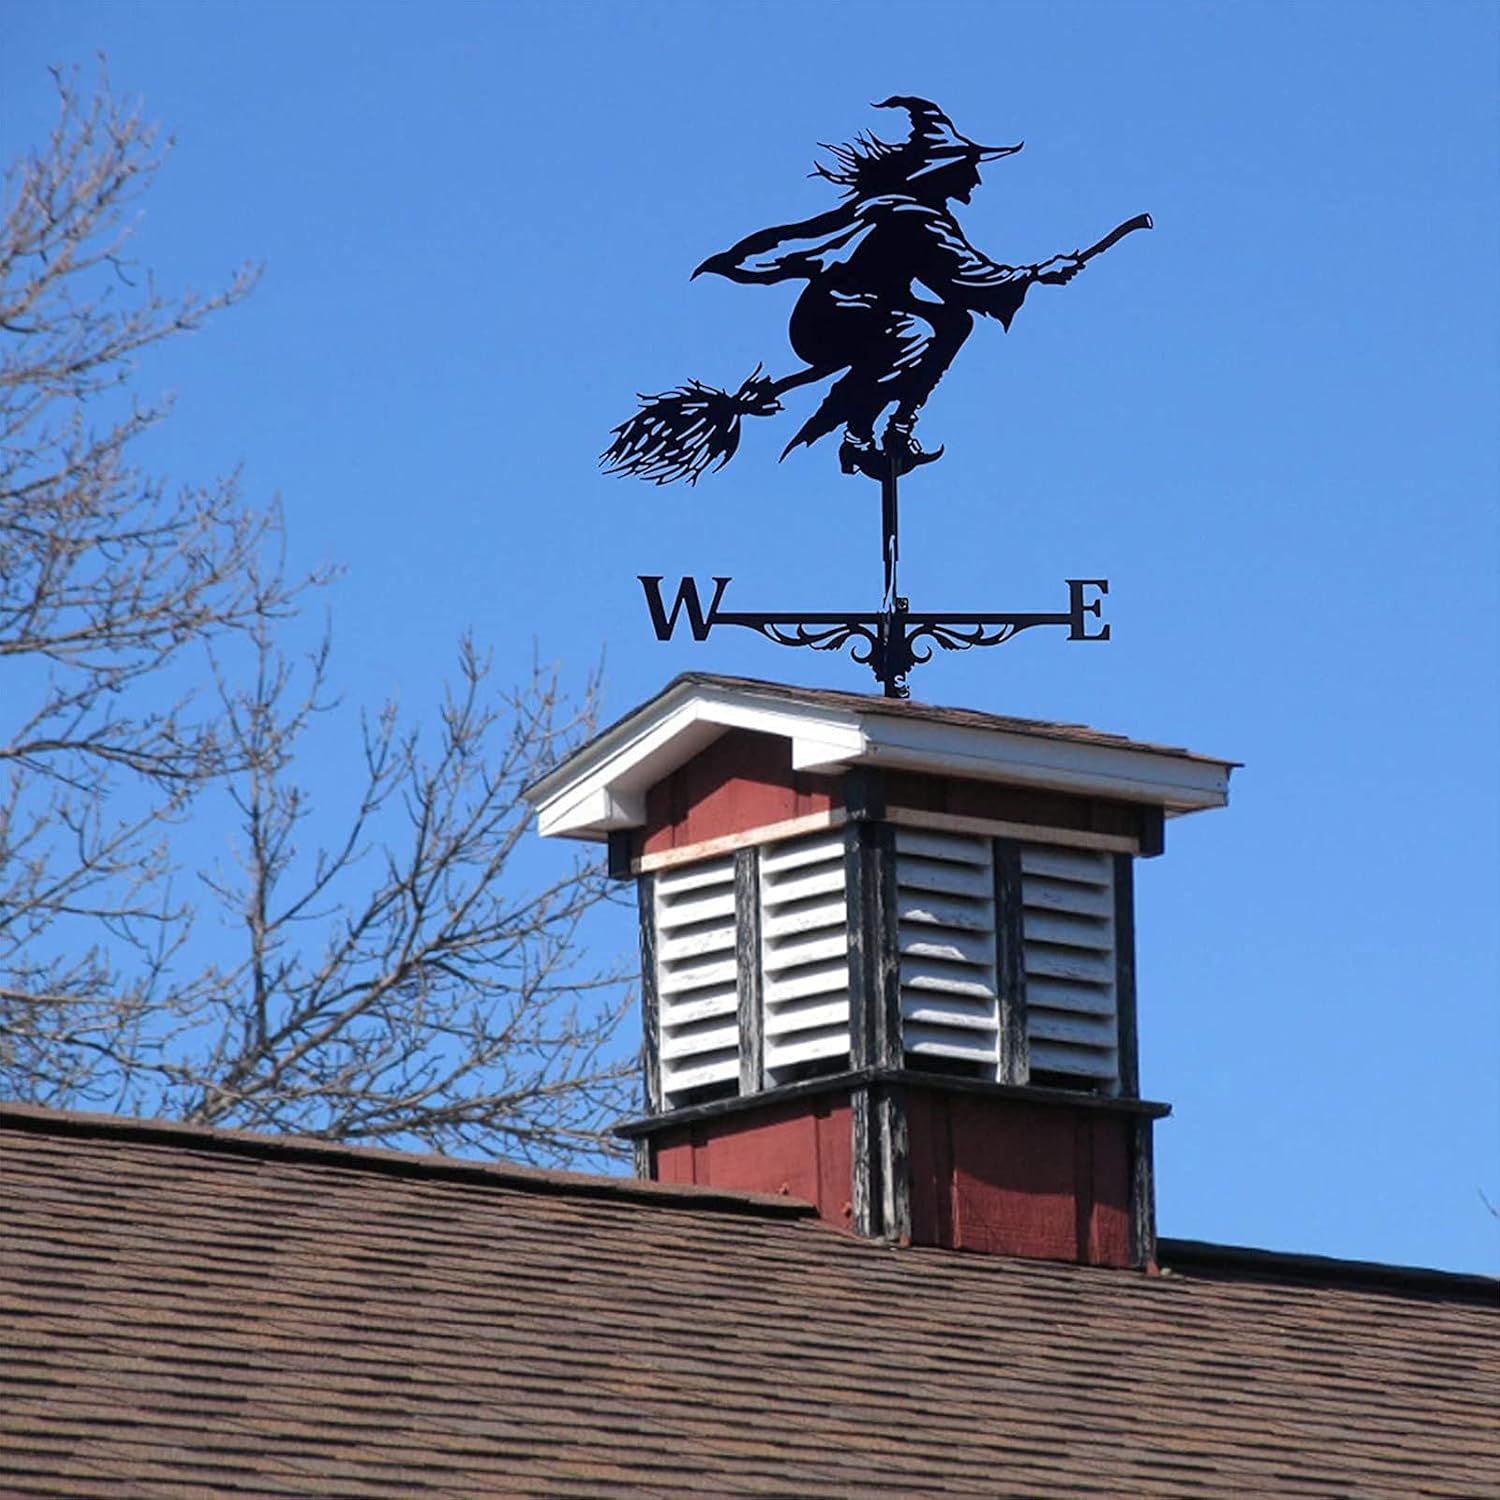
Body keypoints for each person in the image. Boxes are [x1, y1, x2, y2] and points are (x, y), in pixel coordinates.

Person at [692, 97, 1086, 477]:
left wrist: (1031, 274)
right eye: (969, 167)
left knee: (954, 323)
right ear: (942, 169)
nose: (977, 178)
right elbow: (968, 274)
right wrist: (1038, 273)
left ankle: (900, 426)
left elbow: (957, 280)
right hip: (831, 319)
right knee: (914, 334)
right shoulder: (911, 215)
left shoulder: (923, 213)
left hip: (872, 313)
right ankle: (858, 437)